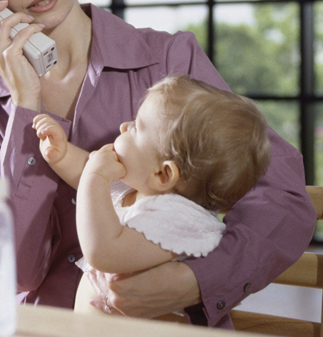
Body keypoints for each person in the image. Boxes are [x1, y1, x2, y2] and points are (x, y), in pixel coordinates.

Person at [0, 0, 315, 328]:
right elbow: (9, 271)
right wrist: (25, 103)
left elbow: (281, 194)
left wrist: (194, 280)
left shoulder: (168, 61)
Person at [32, 75, 271, 315]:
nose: (124, 126)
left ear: (163, 174)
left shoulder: (178, 218)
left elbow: (102, 253)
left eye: (137, 127)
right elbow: (87, 173)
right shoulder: (140, 189)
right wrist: (62, 155)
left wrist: (96, 177)